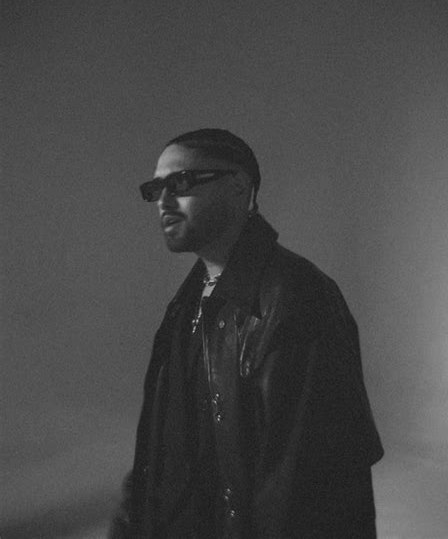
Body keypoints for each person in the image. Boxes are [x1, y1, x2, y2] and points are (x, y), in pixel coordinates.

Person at [109, 128, 384, 539]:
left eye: (180, 183)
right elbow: (159, 455)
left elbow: (313, 488)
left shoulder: (298, 299)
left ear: (239, 187)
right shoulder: (186, 304)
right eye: (155, 189)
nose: (163, 201)